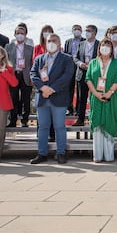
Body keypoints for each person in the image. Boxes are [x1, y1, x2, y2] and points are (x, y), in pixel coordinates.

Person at [30, 33, 74, 164]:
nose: (51, 42)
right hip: (42, 98)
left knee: (59, 126)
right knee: (43, 127)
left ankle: (61, 152)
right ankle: (41, 153)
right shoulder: (39, 59)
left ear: (59, 44)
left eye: (54, 41)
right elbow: (33, 74)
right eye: (49, 40)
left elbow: (67, 76)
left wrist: (51, 89)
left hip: (58, 98)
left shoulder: (67, 59)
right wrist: (43, 88)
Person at [86, 39, 117, 162]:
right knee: (97, 125)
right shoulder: (93, 62)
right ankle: (97, 155)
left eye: (108, 45)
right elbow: (88, 79)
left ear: (112, 49)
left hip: (111, 99)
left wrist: (109, 93)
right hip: (96, 99)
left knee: (109, 123)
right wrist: (96, 93)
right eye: (103, 45)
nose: (105, 47)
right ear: (99, 47)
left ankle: (109, 155)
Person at [5, 25, 34, 127]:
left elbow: (32, 63)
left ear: (26, 35)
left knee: (26, 99)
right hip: (13, 75)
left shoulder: (30, 48)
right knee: (13, 98)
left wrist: (32, 77)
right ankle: (13, 120)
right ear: (14, 34)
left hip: (25, 75)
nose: (20, 35)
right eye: (18, 33)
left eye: (22, 33)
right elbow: (6, 61)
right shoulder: (9, 47)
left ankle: (24, 120)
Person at [72, 25, 99, 126]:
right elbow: (75, 58)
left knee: (95, 97)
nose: (87, 32)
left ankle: (95, 119)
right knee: (81, 98)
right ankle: (80, 119)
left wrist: (92, 65)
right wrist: (80, 64)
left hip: (94, 74)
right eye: (86, 30)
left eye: (89, 31)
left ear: (95, 33)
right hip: (82, 73)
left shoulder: (99, 44)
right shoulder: (81, 44)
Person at [0, 47, 18, 157]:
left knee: (1, 130)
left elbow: (14, 83)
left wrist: (4, 72)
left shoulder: (8, 68)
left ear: (3, 55)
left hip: (3, 103)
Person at [63, 24, 85, 116]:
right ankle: (69, 108)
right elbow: (65, 54)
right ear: (72, 31)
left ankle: (78, 109)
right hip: (70, 66)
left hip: (80, 66)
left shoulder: (85, 41)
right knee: (69, 88)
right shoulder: (68, 41)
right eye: (75, 29)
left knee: (80, 89)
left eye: (79, 29)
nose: (77, 30)